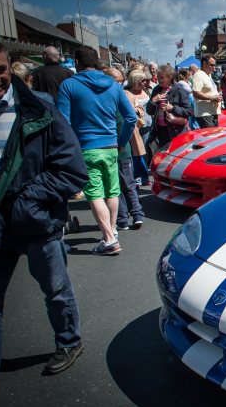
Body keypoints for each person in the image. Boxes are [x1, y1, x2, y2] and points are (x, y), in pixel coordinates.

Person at [0, 38, 88, 395]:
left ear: (8, 66)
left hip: (35, 222)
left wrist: (28, 199)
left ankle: (68, 341)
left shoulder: (39, 108)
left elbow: (73, 169)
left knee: (56, 290)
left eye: (0, 69)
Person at [57, 48, 136, 255]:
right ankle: (112, 233)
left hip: (86, 147)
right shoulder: (113, 84)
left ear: (77, 62)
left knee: (95, 194)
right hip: (111, 146)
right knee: (112, 191)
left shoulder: (69, 85)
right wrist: (121, 141)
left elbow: (63, 122)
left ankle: (109, 239)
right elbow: (131, 118)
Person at [109, 68, 145, 230]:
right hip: (111, 147)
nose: (118, 84)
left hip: (121, 148)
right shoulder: (112, 97)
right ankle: (123, 218)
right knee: (117, 186)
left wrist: (122, 142)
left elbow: (131, 118)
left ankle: (136, 214)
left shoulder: (121, 96)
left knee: (127, 183)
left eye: (119, 81)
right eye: (115, 80)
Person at [147, 64, 193, 149]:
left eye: (161, 77)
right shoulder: (156, 90)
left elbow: (189, 111)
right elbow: (149, 111)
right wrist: (153, 100)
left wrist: (172, 108)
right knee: (165, 158)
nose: (158, 79)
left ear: (170, 77)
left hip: (176, 131)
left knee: (177, 155)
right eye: (158, 77)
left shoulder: (179, 90)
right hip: (161, 131)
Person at [192, 54, 222, 128]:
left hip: (211, 113)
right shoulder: (198, 75)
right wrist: (213, 98)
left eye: (214, 65)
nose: (214, 67)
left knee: (214, 137)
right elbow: (196, 93)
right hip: (205, 114)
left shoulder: (207, 75)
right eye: (211, 65)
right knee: (210, 137)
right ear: (204, 64)